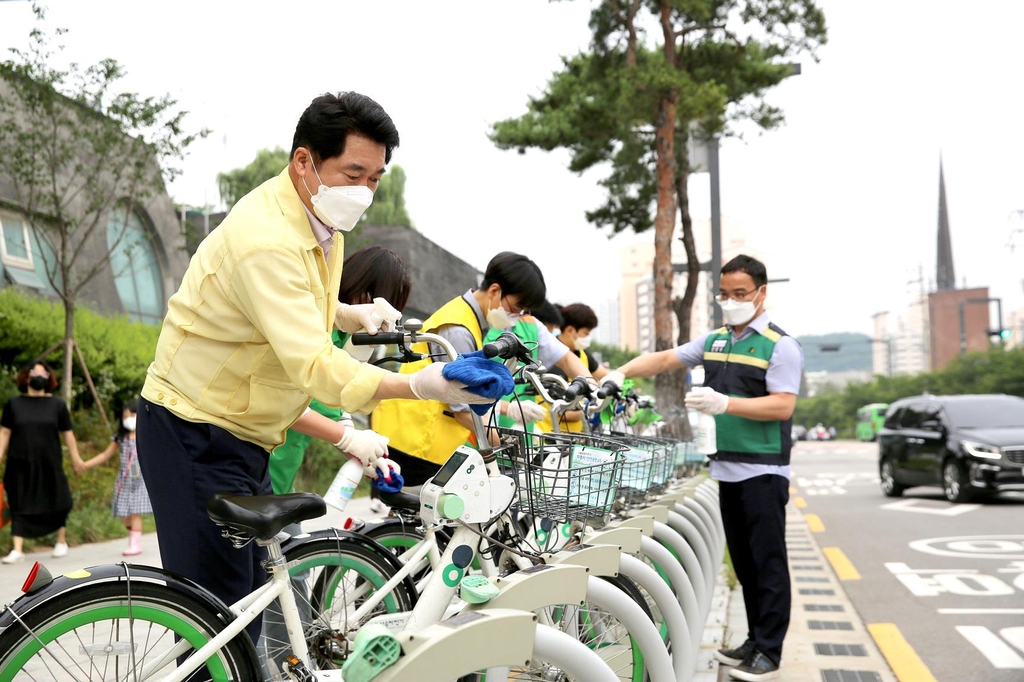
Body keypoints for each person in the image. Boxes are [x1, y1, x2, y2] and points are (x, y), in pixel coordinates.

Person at [136, 92, 485, 650]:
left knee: (245, 607)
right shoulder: (266, 239)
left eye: (375, 177)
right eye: (353, 173)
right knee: (220, 622)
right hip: (193, 428)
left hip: (242, 432)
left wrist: (348, 311)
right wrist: (420, 385)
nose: (364, 192)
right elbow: (317, 367)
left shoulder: (323, 224)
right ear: (304, 162)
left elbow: (300, 309)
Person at [604, 254, 802, 681]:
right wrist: (620, 373)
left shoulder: (780, 345)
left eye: (740, 294)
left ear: (762, 293)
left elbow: (783, 405)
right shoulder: (715, 342)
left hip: (764, 471)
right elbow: (663, 360)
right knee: (745, 565)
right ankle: (754, 640)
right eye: (725, 294)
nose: (731, 301)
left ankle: (769, 650)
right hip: (727, 468)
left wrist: (726, 403)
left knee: (767, 563)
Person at [372, 252, 593, 485]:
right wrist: (513, 451)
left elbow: (566, 358)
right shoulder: (459, 329)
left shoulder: (469, 317)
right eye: (516, 307)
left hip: (422, 439)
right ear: (495, 291)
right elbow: (464, 408)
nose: (518, 316)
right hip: (417, 442)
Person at [0, 360, 85, 564]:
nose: (38, 376)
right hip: (20, 462)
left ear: (49, 378)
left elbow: (68, 434)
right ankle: (18, 549)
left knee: (59, 498)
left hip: (49, 462)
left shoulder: (57, 404)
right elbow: (4, 432)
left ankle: (61, 541)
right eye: (34, 372)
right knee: (18, 500)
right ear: (26, 376)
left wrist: (76, 458)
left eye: (43, 373)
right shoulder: (14, 404)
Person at [81, 400, 151, 556]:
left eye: (132, 415)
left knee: (135, 512)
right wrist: (86, 464)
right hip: (124, 479)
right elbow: (105, 454)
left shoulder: (145, 435)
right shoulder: (120, 437)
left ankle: (135, 543)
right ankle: (134, 533)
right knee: (124, 514)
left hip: (140, 479)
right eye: (125, 416)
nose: (128, 418)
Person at [535, 302, 608, 433]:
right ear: (570, 330)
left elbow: (604, 374)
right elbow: (564, 412)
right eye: (586, 333)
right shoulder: (552, 358)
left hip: (576, 437)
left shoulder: (582, 354)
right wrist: (595, 408)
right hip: (551, 439)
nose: (588, 338)